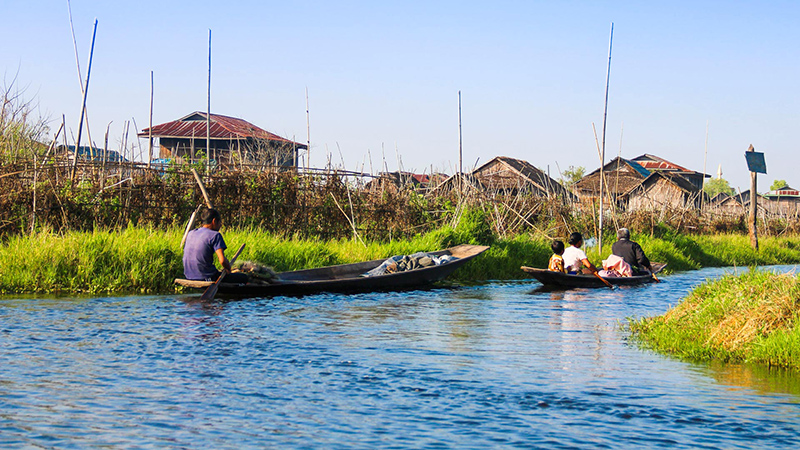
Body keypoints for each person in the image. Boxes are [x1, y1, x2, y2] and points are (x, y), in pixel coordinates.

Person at [183, 208, 248, 284]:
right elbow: (222, 260)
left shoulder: (191, 233)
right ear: (214, 221)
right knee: (244, 277)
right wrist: (228, 269)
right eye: (220, 222)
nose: (220, 225)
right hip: (206, 277)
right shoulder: (215, 235)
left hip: (188, 276)